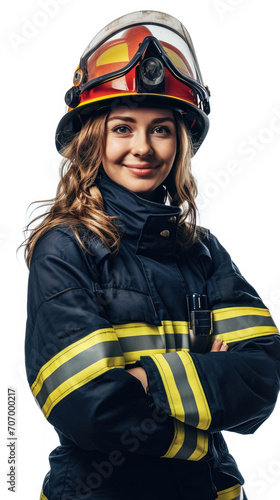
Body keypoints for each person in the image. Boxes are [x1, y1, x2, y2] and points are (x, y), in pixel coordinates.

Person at [24, 10, 280, 500]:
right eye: (123, 127)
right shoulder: (65, 247)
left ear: (181, 142)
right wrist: (202, 401)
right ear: (93, 138)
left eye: (161, 129)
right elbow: (90, 408)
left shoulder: (203, 251)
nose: (142, 147)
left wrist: (145, 378)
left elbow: (261, 378)